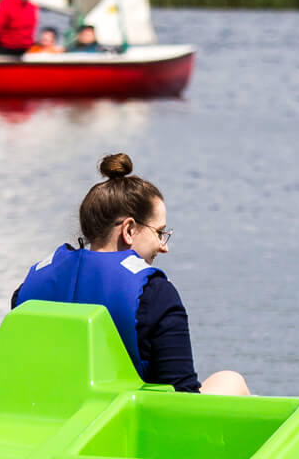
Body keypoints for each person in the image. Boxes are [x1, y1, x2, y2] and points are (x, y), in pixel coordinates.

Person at [12, 153, 248, 396]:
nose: (164, 246)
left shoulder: (28, 288)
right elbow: (183, 398)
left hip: (47, 417)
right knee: (231, 380)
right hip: (122, 422)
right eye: (160, 232)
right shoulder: (154, 294)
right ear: (130, 229)